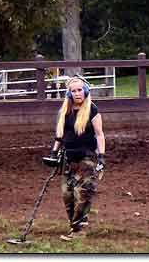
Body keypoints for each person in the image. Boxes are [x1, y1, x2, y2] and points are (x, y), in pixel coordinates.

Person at [49, 75, 106, 241]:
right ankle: (74, 226)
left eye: (80, 90)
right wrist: (54, 153)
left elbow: (100, 134)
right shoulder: (65, 111)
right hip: (68, 158)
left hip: (86, 158)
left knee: (83, 193)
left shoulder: (92, 109)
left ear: (86, 91)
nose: (77, 93)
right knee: (67, 195)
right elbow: (60, 135)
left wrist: (101, 157)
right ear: (69, 94)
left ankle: (79, 230)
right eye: (73, 91)